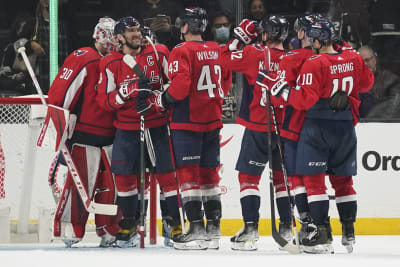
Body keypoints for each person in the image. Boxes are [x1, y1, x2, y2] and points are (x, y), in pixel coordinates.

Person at [258, 17, 374, 253]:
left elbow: (302, 99)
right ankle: (348, 231)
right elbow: (367, 84)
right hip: (345, 126)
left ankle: (318, 230)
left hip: (313, 127)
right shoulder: (352, 56)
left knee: (310, 182)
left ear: (316, 38)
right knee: (343, 181)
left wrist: (275, 87)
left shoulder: (311, 61)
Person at [136, 7, 231, 250]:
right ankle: (213, 230)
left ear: (186, 27)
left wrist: (162, 101)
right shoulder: (216, 49)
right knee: (210, 175)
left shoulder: (181, 50)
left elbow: (181, 85)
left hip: (188, 120)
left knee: (189, 175)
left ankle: (196, 229)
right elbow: (226, 81)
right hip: (212, 119)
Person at [96, 16, 182, 247]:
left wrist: (159, 99)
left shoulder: (159, 52)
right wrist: (125, 93)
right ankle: (130, 221)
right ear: (119, 37)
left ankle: (172, 221)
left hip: (156, 125)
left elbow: (174, 82)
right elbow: (103, 101)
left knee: (166, 174)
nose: (136, 34)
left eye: (137, 30)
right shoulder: (110, 63)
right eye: (131, 31)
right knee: (125, 177)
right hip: (126, 128)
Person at [220, 15, 291, 251]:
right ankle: (287, 228)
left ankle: (250, 229)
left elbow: (224, 60)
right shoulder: (295, 59)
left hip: (259, 127)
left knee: (248, 178)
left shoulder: (253, 54)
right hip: (286, 128)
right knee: (282, 179)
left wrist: (238, 40)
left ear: (264, 35)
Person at [48, 17, 119, 248]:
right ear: (99, 34)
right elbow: (62, 92)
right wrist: (59, 124)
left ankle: (110, 230)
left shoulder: (116, 61)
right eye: (108, 35)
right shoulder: (85, 57)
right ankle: (70, 228)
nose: (111, 40)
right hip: (83, 134)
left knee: (112, 186)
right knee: (81, 185)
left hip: (111, 134)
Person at [0, 14, 44, 96]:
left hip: (31, 91)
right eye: (19, 27)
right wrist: (16, 76)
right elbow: (3, 72)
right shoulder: (13, 47)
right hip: (12, 92)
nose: (21, 31)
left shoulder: (35, 48)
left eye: (25, 28)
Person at [33, 0, 69, 93]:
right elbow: (19, 42)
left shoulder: (63, 25)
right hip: (40, 77)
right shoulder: (34, 23)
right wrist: (31, 44)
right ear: (43, 3)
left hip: (60, 78)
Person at [358, 45, 400, 118]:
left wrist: (370, 121)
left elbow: (392, 110)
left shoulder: (391, 81)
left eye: (367, 60)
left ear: (374, 60)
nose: (365, 64)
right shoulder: (350, 82)